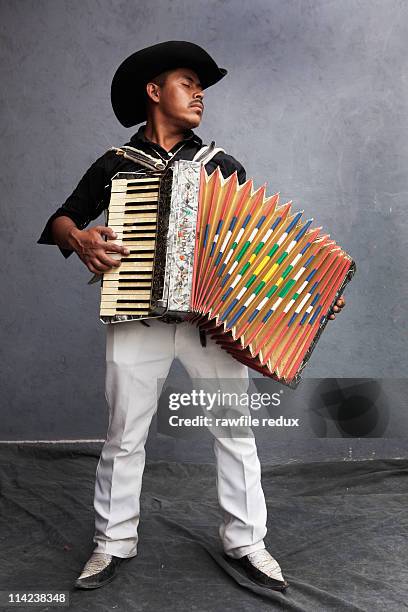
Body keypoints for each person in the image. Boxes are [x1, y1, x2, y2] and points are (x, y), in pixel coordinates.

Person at [38, 41, 345, 592]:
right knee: (123, 434)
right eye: (187, 82)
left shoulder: (221, 166)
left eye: (201, 86)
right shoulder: (115, 164)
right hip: (137, 319)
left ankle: (247, 541)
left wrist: (309, 292)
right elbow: (63, 218)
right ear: (155, 92)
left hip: (209, 327)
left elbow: (257, 251)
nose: (200, 93)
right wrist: (79, 238)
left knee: (235, 429)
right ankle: (112, 543)